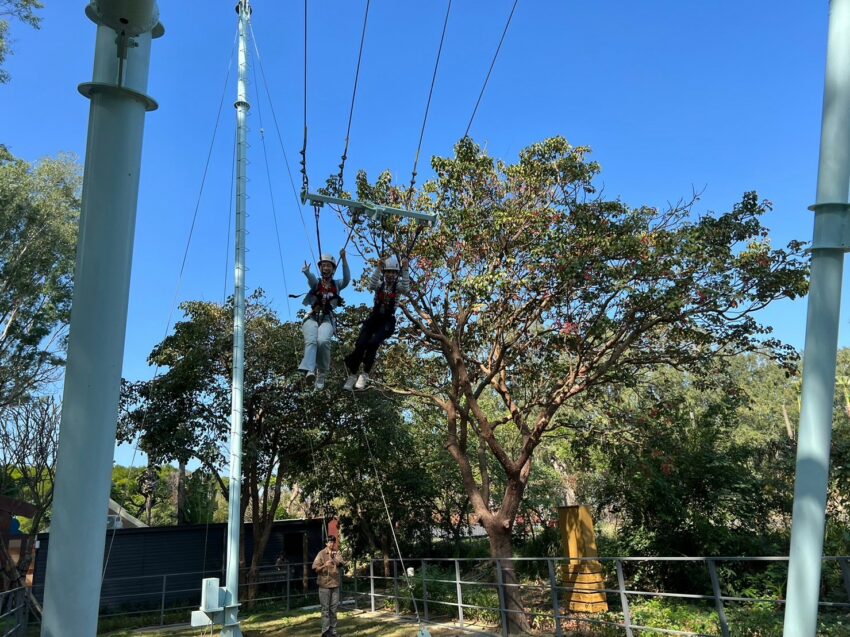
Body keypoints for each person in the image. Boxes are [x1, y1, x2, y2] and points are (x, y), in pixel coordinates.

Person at [343, 255, 409, 390]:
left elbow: (406, 288)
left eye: (393, 272)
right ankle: (353, 374)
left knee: (373, 344)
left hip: (387, 320)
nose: (390, 275)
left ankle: (365, 374)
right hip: (374, 317)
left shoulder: (398, 287)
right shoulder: (380, 285)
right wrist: (378, 268)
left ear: (397, 274)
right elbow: (372, 284)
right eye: (388, 272)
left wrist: (405, 269)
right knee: (361, 343)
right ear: (384, 274)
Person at [299, 248, 350, 389]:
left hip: (327, 318)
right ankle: (310, 370)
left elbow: (347, 279)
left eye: (329, 265)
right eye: (323, 265)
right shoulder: (317, 283)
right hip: (312, 317)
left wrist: (344, 259)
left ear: (333, 269)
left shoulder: (337, 284)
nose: (326, 267)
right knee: (311, 341)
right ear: (320, 268)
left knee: (322, 341)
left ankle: (321, 373)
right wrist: (307, 272)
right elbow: (312, 280)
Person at [312, 535, 344, 637]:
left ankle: (333, 631)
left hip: (335, 585)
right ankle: (325, 632)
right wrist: (324, 565)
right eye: (329, 542)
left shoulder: (337, 553)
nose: (331, 543)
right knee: (325, 610)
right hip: (324, 586)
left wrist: (333, 558)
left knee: (333, 610)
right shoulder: (321, 554)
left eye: (333, 542)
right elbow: (315, 569)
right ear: (326, 543)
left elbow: (341, 564)